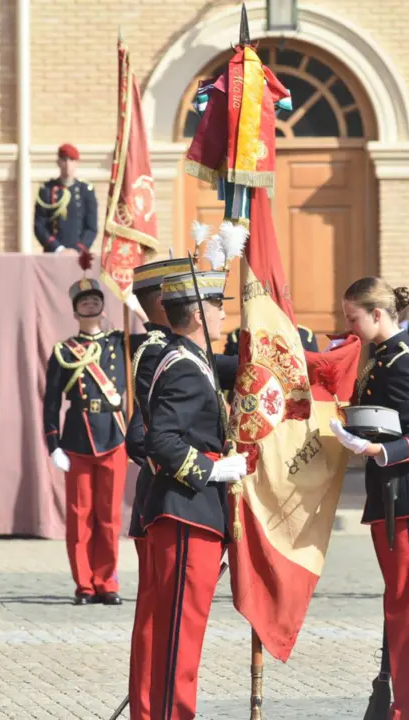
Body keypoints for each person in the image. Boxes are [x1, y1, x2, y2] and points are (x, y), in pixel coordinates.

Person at [330, 277, 409, 720]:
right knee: (399, 612)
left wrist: (378, 450)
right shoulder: (382, 359)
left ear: (377, 315)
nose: (349, 326)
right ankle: (405, 707)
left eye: (353, 317)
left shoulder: (404, 362)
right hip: (393, 499)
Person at [142, 269, 245, 719]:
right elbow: (161, 440)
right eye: (219, 306)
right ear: (201, 314)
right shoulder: (184, 367)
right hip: (186, 514)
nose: (225, 313)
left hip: (192, 514)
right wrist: (214, 469)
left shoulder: (189, 358)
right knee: (179, 638)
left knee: (181, 635)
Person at [42, 252, 135, 606]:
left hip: (113, 437)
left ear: (103, 305)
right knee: (80, 518)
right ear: (75, 310)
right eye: (84, 301)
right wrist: (53, 443)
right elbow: (51, 401)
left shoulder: (120, 342)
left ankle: (107, 581)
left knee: (109, 517)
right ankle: (84, 583)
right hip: (78, 440)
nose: (91, 304)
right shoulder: (64, 351)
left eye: (96, 299)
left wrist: (133, 302)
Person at [122, 256, 192, 720]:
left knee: (157, 614)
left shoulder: (172, 347)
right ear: (166, 304)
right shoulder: (158, 350)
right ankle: (149, 708)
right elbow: (143, 436)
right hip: (164, 499)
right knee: (157, 615)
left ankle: (149, 707)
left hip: (165, 499)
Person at [34, 143, 97, 254]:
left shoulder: (85, 190)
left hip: (78, 255)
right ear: (58, 162)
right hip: (53, 253)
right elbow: (40, 226)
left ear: (77, 163)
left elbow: (91, 227)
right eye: (64, 160)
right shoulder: (47, 189)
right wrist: (59, 249)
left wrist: (78, 250)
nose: (68, 165)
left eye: (72, 160)